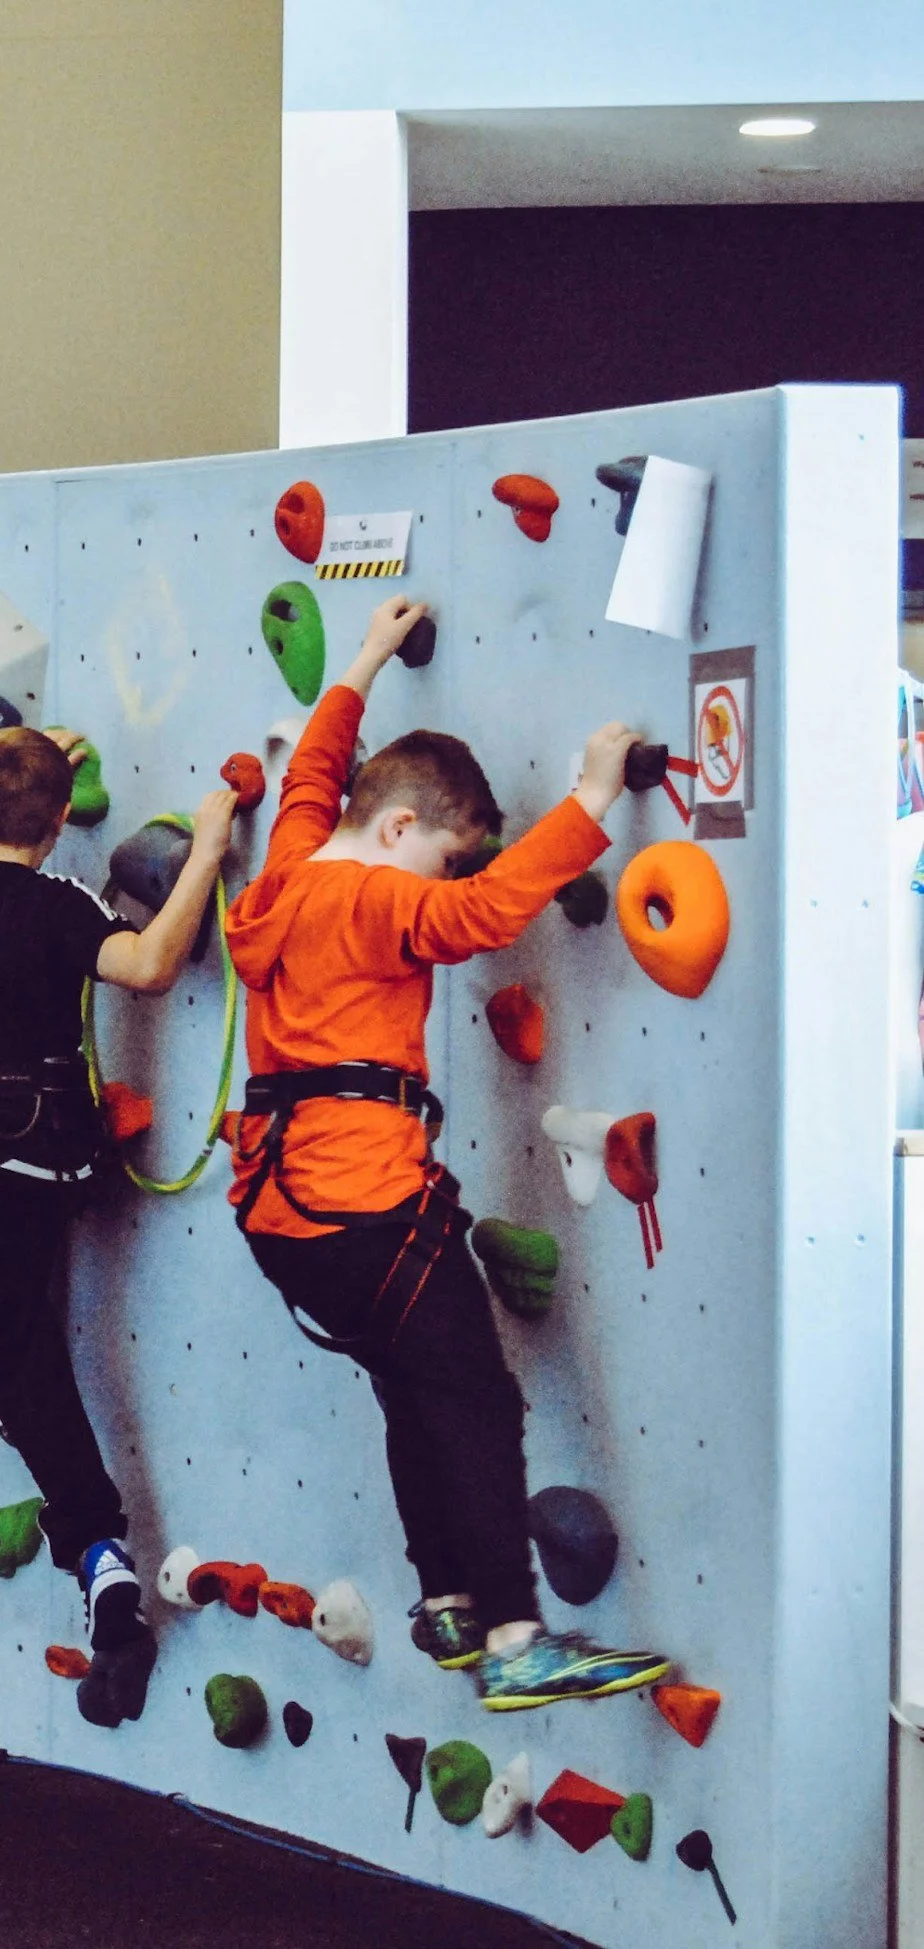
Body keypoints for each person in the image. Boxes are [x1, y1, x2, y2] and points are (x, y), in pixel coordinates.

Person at [227, 593, 672, 1711]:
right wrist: (592, 794)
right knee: (473, 1401)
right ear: (394, 834)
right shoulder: (376, 896)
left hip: (281, 1216)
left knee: (409, 1391)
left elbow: (308, 779)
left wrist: (367, 657)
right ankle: (519, 1636)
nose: (433, 877)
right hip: (366, 1200)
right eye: (434, 853)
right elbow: (480, 912)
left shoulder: (286, 872)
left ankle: (446, 1602)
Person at [0, 726, 237, 1724]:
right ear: (59, 824)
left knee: (21, 1350)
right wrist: (211, 850)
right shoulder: (59, 905)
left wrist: (28, 758)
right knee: (23, 1347)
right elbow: (145, 964)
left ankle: (102, 1567)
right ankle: (90, 1540)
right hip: (50, 1164)